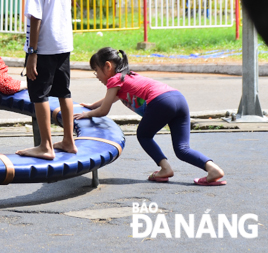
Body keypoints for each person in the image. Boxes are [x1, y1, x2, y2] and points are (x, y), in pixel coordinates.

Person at [76, 47, 226, 185]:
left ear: (108, 66)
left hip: (161, 101)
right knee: (182, 149)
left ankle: (165, 168)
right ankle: (213, 169)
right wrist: (93, 105)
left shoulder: (114, 80)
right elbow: (111, 99)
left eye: (96, 70)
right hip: (178, 99)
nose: (96, 76)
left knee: (144, 135)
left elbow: (104, 111)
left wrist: (87, 114)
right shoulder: (127, 76)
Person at [17, 0, 77, 160]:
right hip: (64, 42)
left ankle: (46, 146)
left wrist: (32, 53)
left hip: (45, 45)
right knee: (64, 91)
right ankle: (69, 141)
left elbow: (35, 16)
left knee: (39, 93)